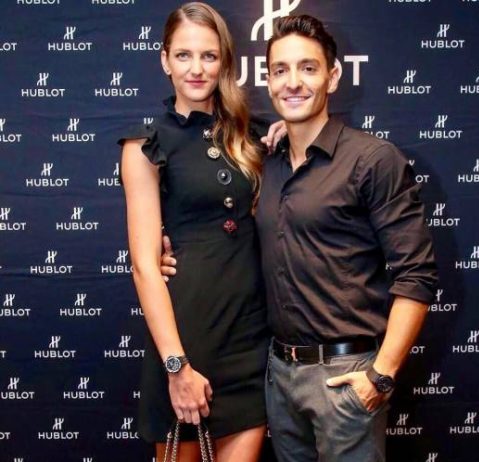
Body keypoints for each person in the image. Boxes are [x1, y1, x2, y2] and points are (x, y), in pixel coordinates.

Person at [161, 13, 438, 462]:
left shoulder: (373, 160)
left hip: (346, 377)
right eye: (280, 70)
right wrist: (170, 250)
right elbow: (227, 229)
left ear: (333, 76)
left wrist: (381, 376)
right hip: (277, 375)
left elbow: (417, 275)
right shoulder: (263, 162)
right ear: (268, 81)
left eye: (308, 68)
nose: (293, 82)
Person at [119, 3, 283, 461]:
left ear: (224, 61)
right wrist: (176, 366)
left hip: (248, 340)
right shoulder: (145, 145)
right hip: (185, 337)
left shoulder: (254, 136)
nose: (197, 69)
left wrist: (287, 132)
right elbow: (145, 267)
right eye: (184, 55)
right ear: (165, 60)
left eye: (209, 56)